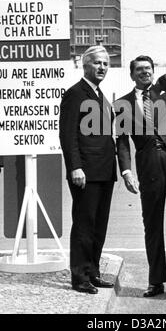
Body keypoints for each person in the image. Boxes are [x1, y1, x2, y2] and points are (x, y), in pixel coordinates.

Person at [114, 14, 166, 298]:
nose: (144, 73)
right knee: (152, 223)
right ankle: (156, 280)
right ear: (132, 74)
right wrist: (126, 171)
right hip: (148, 164)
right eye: (139, 70)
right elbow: (122, 142)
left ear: (153, 71)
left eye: (147, 68)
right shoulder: (123, 103)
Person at [59, 45, 117, 294]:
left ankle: (93, 272)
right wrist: (76, 167)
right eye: (97, 63)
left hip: (104, 171)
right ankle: (80, 277)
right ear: (85, 66)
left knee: (99, 225)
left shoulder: (99, 94)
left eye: (105, 63)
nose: (102, 67)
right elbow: (68, 134)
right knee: (84, 224)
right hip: (86, 172)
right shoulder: (76, 94)